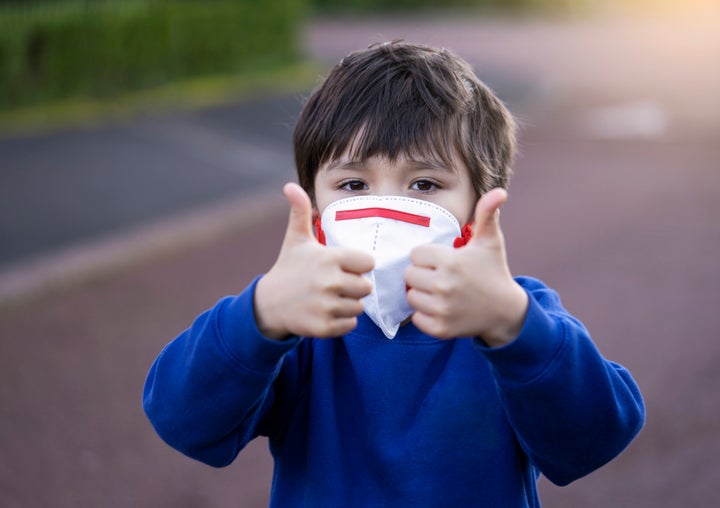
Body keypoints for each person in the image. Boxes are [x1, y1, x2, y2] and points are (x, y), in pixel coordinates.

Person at [143, 41, 644, 507]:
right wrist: (261, 315)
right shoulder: (298, 321)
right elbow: (183, 421)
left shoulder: (511, 314)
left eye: (424, 183)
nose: (384, 210)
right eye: (353, 184)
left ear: (476, 207)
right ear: (315, 208)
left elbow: (594, 439)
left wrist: (515, 327)